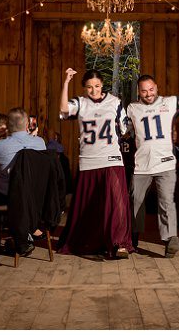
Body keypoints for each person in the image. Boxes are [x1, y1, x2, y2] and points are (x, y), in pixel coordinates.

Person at [126, 68, 179, 258]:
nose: (148, 94)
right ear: (139, 92)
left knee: (166, 201)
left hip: (165, 164)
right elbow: (124, 129)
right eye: (144, 91)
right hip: (142, 164)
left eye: (151, 89)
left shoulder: (169, 103)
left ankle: (170, 238)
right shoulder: (132, 109)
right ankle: (133, 236)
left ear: (156, 87)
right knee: (136, 201)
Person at [57, 68, 133, 259]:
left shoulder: (114, 102)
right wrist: (66, 82)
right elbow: (64, 110)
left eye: (97, 86)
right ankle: (93, 241)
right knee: (89, 207)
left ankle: (119, 243)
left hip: (111, 158)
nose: (94, 90)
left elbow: (125, 128)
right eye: (89, 87)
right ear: (84, 88)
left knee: (117, 204)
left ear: (102, 85)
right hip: (89, 160)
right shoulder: (81, 103)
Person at [0, 107, 46, 199]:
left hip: (6, 197)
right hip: (34, 198)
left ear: (7, 125)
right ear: (27, 125)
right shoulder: (40, 143)